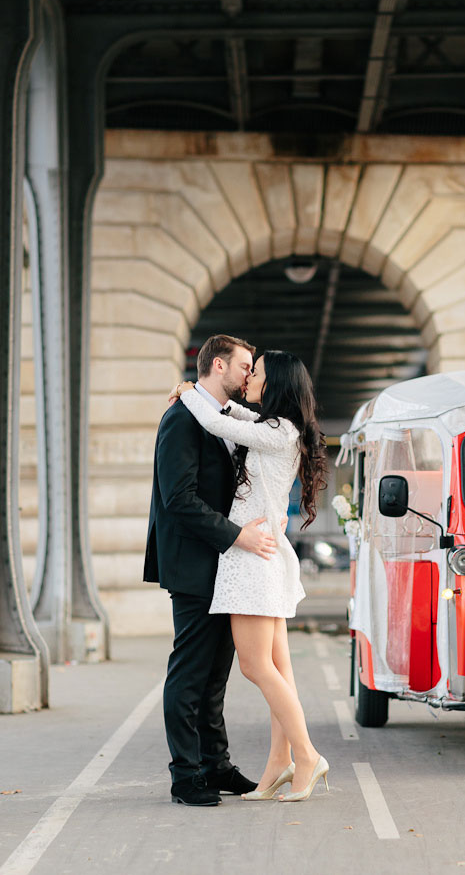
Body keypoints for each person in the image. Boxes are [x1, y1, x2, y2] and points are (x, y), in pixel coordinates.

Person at [171, 349, 329, 802]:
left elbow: (221, 423)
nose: (247, 378)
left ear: (274, 382)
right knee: (279, 668)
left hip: (252, 557)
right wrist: (200, 394)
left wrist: (189, 393)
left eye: (254, 372)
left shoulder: (279, 431)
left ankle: (306, 755)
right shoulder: (275, 427)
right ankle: (279, 764)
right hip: (261, 552)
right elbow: (234, 414)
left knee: (255, 665)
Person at [144, 334, 278, 808]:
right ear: (218, 365)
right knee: (190, 672)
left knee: (216, 674)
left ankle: (215, 765)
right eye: (245, 365)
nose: (249, 373)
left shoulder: (220, 416)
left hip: (226, 566)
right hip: (195, 564)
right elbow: (178, 499)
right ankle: (185, 775)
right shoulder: (180, 419)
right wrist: (236, 536)